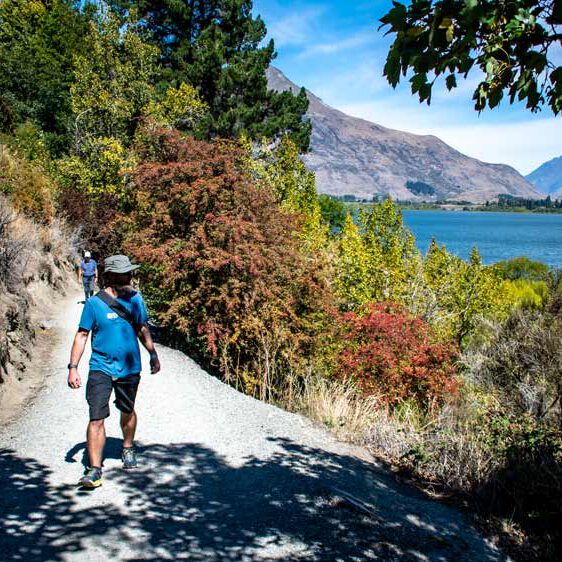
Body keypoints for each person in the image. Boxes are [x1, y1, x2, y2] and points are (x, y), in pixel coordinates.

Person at [67, 254, 161, 488]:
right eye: (125, 272)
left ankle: (127, 447)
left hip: (129, 367)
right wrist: (73, 368)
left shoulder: (136, 300)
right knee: (96, 417)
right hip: (101, 367)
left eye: (129, 271)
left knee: (127, 409)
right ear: (111, 276)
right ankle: (94, 469)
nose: (130, 275)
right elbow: (82, 335)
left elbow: (142, 327)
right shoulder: (94, 304)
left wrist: (153, 353)